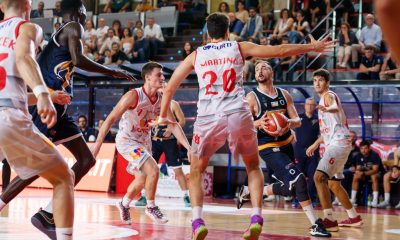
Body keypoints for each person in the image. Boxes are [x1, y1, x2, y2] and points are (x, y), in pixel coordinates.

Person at [158, 12, 335, 240]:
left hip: (208, 117)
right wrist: (312, 47)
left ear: (207, 34)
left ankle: (197, 221)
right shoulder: (239, 47)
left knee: (196, 170)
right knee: (252, 166)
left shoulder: (196, 54)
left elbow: (170, 88)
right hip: (237, 114)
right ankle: (256, 218)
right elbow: (279, 51)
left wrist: (164, 115)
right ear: (227, 30)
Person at [0, 0, 134, 238]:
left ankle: (48, 214)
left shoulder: (26, 33)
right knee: (39, 167)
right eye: (84, 12)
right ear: (79, 12)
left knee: (86, 160)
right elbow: (78, 59)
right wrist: (112, 71)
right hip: (45, 105)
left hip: (54, 105)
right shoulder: (73, 27)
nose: (85, 17)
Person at [0, 0, 75, 239]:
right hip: (8, 117)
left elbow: (13, 89)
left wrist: (49, 95)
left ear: (1, 7)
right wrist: (43, 93)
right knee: (65, 177)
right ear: (27, 5)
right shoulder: (27, 28)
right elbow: (24, 58)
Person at [237, 62, 330, 237]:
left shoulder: (284, 95)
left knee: (291, 188)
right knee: (299, 179)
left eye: (263, 68)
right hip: (268, 147)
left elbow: (297, 120)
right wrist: (259, 123)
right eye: (256, 69)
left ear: (271, 72)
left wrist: (288, 122)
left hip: (286, 144)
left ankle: (250, 191)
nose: (259, 71)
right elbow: (242, 124)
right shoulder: (251, 97)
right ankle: (315, 224)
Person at [90, 62, 191, 224]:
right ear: (148, 77)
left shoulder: (161, 100)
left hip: (144, 143)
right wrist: (97, 146)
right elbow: (110, 119)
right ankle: (151, 206)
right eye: (159, 74)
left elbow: (173, 124)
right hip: (127, 141)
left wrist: (189, 148)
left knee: (141, 180)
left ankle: (123, 203)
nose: (163, 77)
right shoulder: (133, 96)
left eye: (163, 74)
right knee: (153, 170)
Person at [306, 69, 363, 232]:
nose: (317, 83)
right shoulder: (323, 102)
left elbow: (334, 106)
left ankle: (329, 220)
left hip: (338, 144)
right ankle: (353, 217)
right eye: (314, 80)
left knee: (318, 178)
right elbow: (327, 131)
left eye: (320, 80)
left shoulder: (328, 96)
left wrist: (327, 108)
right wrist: (316, 144)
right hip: (338, 143)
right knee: (334, 184)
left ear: (328, 83)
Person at [137, 84, 191, 207]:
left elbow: (182, 121)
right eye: (160, 88)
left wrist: (171, 130)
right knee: (147, 169)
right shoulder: (151, 104)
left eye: (164, 88)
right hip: (154, 141)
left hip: (169, 141)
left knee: (178, 170)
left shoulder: (173, 104)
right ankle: (144, 196)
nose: (162, 91)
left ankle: (186, 196)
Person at [293, 97, 320, 203]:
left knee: (313, 175)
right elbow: (288, 128)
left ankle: (311, 199)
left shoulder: (318, 119)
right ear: (304, 105)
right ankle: (298, 199)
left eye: (312, 104)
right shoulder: (298, 118)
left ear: (315, 107)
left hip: (313, 152)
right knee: (299, 176)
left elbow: (322, 134)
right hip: (299, 151)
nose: (309, 106)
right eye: (307, 104)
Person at [350, 140, 383, 207]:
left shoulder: (374, 155)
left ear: (369, 148)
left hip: (378, 173)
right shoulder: (359, 155)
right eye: (361, 148)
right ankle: (353, 200)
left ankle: (375, 200)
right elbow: (358, 168)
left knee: (373, 176)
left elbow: (375, 170)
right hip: (365, 174)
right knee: (356, 176)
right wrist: (358, 171)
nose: (363, 150)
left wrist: (363, 173)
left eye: (365, 148)